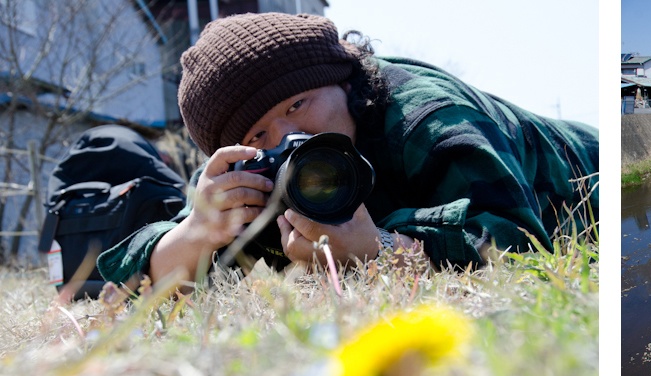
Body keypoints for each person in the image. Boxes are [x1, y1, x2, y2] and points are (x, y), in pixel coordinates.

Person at [98, 13, 598, 286]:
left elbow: (518, 244)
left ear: (344, 83)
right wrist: (198, 232)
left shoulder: (424, 113)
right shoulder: (247, 173)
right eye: (258, 136)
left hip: (588, 166)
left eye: (298, 104)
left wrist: (379, 251)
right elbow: (131, 278)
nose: (290, 137)